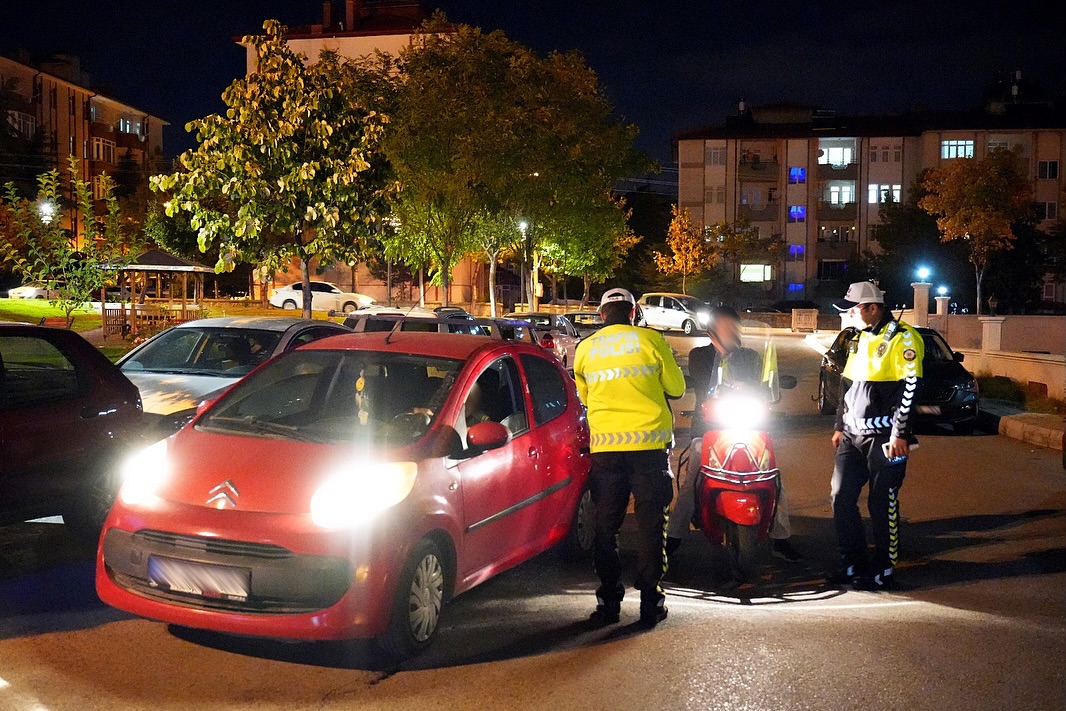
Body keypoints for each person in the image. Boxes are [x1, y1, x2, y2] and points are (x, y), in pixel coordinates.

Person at [574, 288, 686, 627]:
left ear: (602, 314)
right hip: (650, 447)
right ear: (633, 312)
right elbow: (677, 388)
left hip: (607, 450)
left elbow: (586, 397)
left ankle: (609, 603)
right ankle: (650, 603)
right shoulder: (651, 341)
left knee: (605, 525)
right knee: (652, 524)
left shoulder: (586, 348)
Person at [666, 307, 803, 563]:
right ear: (713, 331)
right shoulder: (700, 356)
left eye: (734, 326)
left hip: (749, 426)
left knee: (773, 477)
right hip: (709, 429)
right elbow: (703, 382)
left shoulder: (750, 356)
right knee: (692, 479)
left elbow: (764, 385)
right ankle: (674, 536)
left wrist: (767, 392)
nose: (731, 331)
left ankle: (781, 538)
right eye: (726, 326)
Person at [830, 281, 924, 591]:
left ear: (873, 307)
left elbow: (910, 387)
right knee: (841, 498)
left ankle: (884, 570)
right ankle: (853, 565)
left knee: (881, 502)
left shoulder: (903, 338)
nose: (850, 315)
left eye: (854, 309)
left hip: (886, 436)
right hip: (852, 435)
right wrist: (838, 426)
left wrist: (901, 433)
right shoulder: (859, 339)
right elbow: (847, 385)